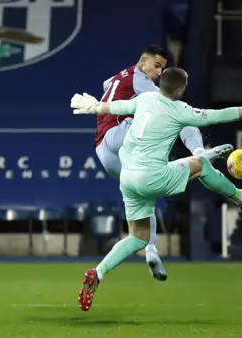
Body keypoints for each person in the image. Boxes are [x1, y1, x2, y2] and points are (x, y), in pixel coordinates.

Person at [70, 67, 242, 311]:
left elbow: (116, 107)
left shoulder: (144, 99)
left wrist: (93, 106)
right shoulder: (180, 110)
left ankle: (97, 273)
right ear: (179, 89)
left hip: (128, 177)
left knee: (137, 237)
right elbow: (221, 115)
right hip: (152, 177)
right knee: (202, 165)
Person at [93, 45, 231, 281]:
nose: (158, 72)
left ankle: (150, 249)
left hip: (104, 150)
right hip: (117, 137)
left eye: (162, 68)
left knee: (146, 191)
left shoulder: (121, 76)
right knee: (174, 115)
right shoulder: (142, 81)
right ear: (143, 62)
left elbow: (107, 85)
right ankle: (199, 152)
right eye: (156, 66)